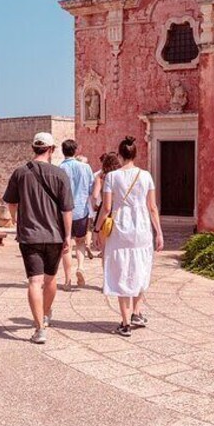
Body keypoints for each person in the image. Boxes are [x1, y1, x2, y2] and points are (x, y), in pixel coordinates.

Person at [3, 132, 74, 345]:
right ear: (51, 150)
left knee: (34, 281)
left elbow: (11, 203)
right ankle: (45, 313)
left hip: (29, 235)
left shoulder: (20, 173)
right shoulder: (60, 174)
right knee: (50, 279)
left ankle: (39, 329)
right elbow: (67, 210)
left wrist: (17, 221)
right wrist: (68, 236)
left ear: (34, 148)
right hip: (54, 235)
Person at [93, 136, 163, 337]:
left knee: (121, 270)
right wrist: (158, 232)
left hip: (120, 229)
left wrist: (97, 230)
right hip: (141, 229)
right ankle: (137, 313)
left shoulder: (112, 177)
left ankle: (125, 323)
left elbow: (106, 208)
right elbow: (152, 207)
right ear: (135, 154)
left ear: (120, 154)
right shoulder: (146, 176)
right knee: (140, 268)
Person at [59, 139, 94, 288]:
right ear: (76, 150)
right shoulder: (86, 167)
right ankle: (80, 266)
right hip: (81, 211)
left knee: (65, 246)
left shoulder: (59, 168)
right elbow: (92, 190)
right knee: (80, 241)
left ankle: (67, 280)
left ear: (63, 150)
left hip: (63, 212)